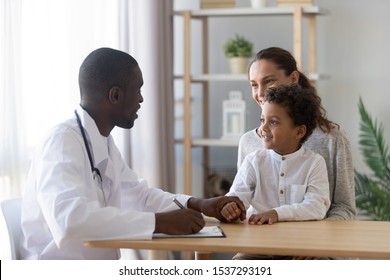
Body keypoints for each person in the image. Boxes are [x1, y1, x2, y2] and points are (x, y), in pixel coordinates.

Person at [19, 47, 246, 260]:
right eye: (137, 90)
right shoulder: (62, 141)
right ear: (115, 96)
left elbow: (139, 197)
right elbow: (70, 220)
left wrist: (198, 204)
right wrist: (159, 223)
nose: (141, 99)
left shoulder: (102, 141)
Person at [237, 47, 356, 221]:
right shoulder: (248, 142)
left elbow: (344, 208)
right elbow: (240, 200)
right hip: (257, 243)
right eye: (254, 85)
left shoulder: (331, 139)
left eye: (268, 81)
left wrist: (311, 239)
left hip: (312, 244)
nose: (260, 93)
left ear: (293, 79)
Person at [221, 84, 331, 259]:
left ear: (299, 131)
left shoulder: (314, 163)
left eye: (273, 122)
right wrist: (229, 207)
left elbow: (316, 207)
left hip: (301, 248)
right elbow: (236, 197)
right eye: (262, 120)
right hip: (258, 248)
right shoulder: (254, 161)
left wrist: (276, 213)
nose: (263, 128)